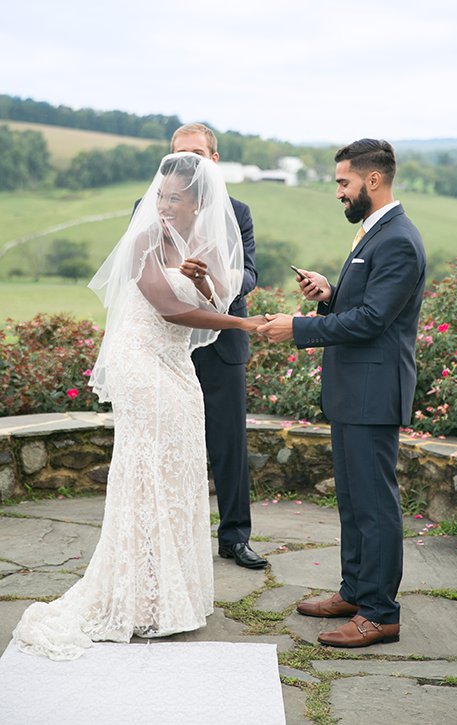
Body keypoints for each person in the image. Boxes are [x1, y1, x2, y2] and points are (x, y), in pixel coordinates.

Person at [12, 152, 264, 660]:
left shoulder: (209, 241)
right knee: (146, 468)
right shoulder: (146, 237)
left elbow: (216, 298)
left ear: (198, 203)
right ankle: (138, 593)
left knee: (176, 469)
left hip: (177, 364)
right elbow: (168, 308)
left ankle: (167, 590)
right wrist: (243, 324)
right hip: (140, 359)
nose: (164, 205)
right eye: (161, 195)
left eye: (175, 198)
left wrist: (202, 280)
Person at [258, 139, 426, 648]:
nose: (339, 192)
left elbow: (374, 320)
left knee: (375, 506)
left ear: (373, 180)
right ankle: (355, 592)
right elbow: (364, 305)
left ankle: (380, 613)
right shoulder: (374, 232)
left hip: (374, 392)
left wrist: (298, 328)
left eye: (343, 182)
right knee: (354, 503)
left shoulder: (398, 240)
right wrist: (330, 295)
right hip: (355, 391)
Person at [169, 123, 267, 569]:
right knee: (169, 442)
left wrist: (222, 281)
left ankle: (234, 537)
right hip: (168, 341)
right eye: (180, 153)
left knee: (229, 443)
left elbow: (251, 272)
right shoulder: (150, 207)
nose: (187, 161)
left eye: (196, 153)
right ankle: (172, 538)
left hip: (224, 340)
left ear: (213, 159)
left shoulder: (238, 211)